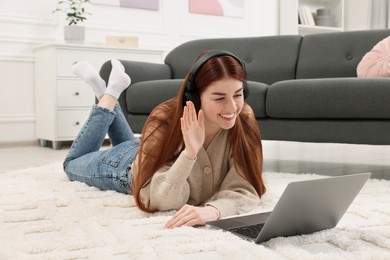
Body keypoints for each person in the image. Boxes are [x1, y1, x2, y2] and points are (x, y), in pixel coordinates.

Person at [63, 50, 266, 229]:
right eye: (219, 98)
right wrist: (189, 153)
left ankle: (107, 90)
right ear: (194, 98)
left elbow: (246, 187)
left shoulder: (244, 120)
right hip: (127, 167)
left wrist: (214, 211)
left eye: (238, 94)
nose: (232, 108)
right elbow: (162, 200)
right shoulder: (165, 119)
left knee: (136, 146)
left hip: (151, 151)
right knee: (70, 164)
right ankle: (108, 96)